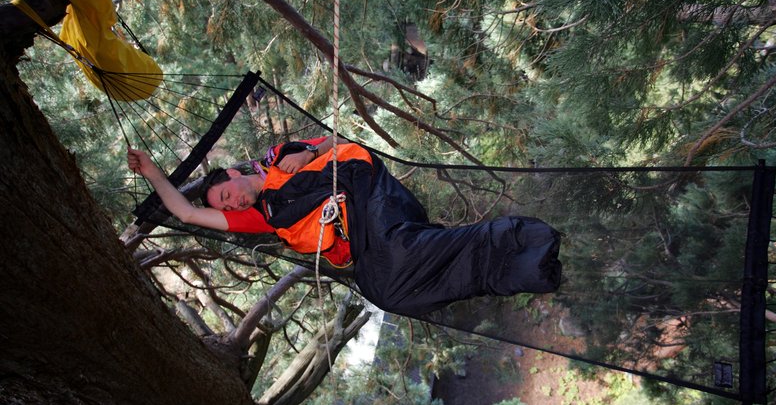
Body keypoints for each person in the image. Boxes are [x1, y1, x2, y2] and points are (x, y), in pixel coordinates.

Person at [127, 136, 562, 316]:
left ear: (233, 175)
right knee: (385, 290)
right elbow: (186, 214)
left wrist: (302, 157)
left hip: (367, 193)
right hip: (364, 242)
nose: (233, 202)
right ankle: (522, 268)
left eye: (227, 193)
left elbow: (341, 144)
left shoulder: (281, 157)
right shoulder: (261, 216)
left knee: (401, 252)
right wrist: (151, 173)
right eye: (226, 205)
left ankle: (523, 237)